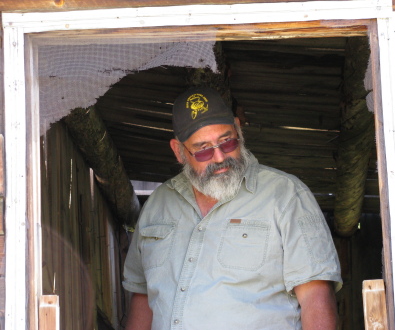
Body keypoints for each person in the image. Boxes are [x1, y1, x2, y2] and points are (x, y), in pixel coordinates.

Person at [123, 86, 342, 330]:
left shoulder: (286, 196)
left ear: (238, 129)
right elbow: (143, 297)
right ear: (179, 151)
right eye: (203, 149)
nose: (219, 157)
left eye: (227, 142)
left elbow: (316, 297)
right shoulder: (158, 205)